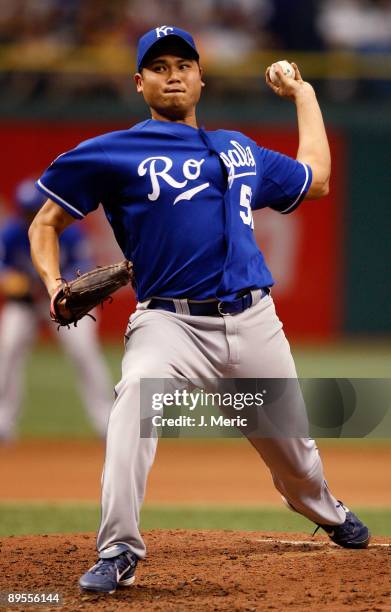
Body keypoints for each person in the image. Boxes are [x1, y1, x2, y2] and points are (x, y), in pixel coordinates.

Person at [28, 26, 370, 595]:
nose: (173, 74)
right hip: (169, 324)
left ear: (200, 78)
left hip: (254, 321)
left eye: (183, 64)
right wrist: (52, 281)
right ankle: (118, 549)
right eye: (158, 67)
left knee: (297, 462)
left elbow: (318, 180)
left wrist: (304, 94)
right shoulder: (112, 151)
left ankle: (325, 509)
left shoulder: (237, 147)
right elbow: (46, 222)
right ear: (139, 82)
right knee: (135, 395)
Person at [0, 179, 113, 441]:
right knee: (7, 348)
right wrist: (7, 278)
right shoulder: (11, 234)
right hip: (26, 303)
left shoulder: (70, 233)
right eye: (26, 212)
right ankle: (3, 421)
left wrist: (66, 290)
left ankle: (106, 419)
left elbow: (85, 267)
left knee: (84, 350)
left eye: (34, 211)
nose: (31, 217)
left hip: (64, 302)